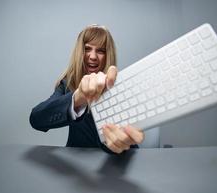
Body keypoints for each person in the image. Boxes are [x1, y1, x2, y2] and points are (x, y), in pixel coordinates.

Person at [30, 24, 145, 154]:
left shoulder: (117, 85)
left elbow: (121, 138)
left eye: (100, 51)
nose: (93, 56)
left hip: (117, 159)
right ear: (79, 52)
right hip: (76, 162)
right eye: (87, 49)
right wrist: (78, 98)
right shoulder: (67, 84)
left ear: (108, 54)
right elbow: (36, 118)